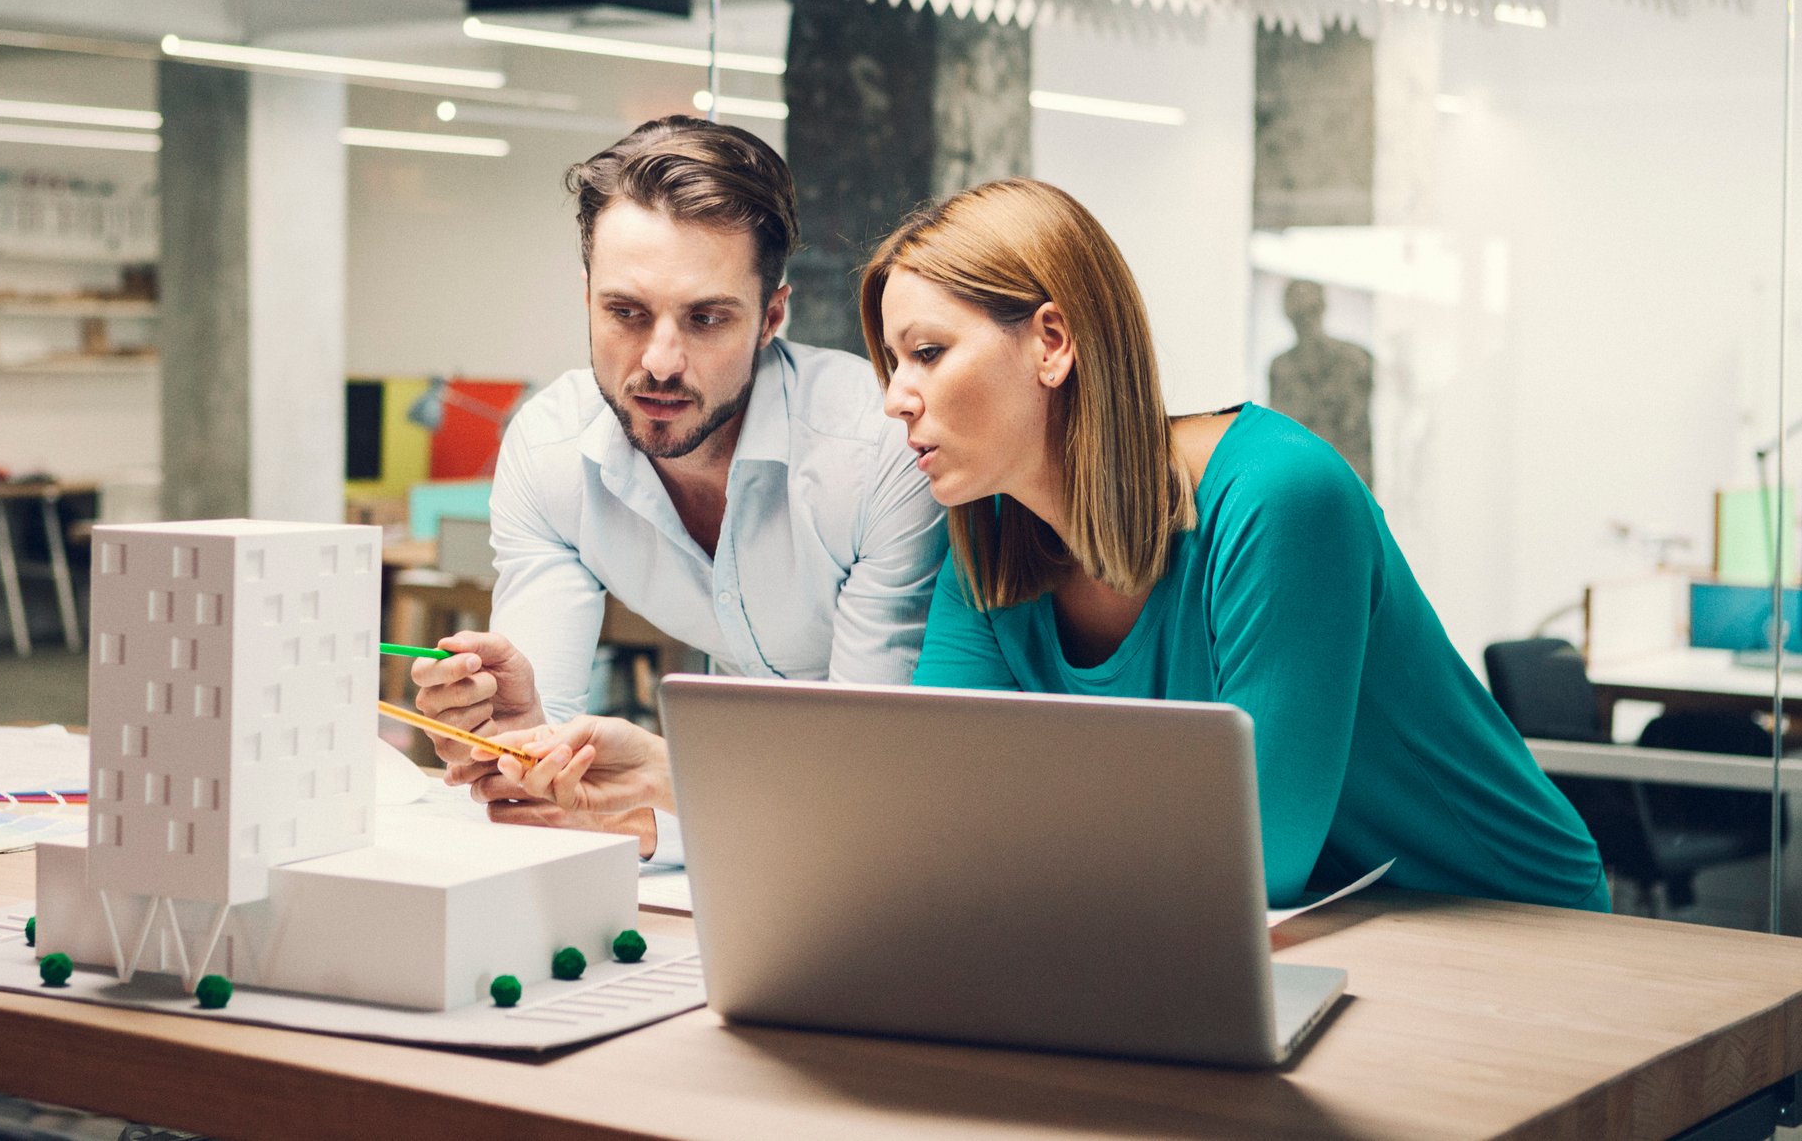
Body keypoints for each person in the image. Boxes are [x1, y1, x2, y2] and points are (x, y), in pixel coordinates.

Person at [480, 176, 1610, 913]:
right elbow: (909, 803)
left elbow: (1256, 858)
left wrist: (986, 824)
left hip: (1504, 924)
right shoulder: (988, 536)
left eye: (928, 354)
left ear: (1053, 342)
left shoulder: (1280, 497)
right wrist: (668, 778)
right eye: (890, 363)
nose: (895, 397)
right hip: (1307, 942)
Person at [410, 116, 946, 858]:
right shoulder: (550, 450)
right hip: (747, 822)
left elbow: (863, 782)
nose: (660, 362)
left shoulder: (877, 450)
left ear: (772, 317)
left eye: (706, 318)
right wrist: (512, 738)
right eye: (625, 313)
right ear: (587, 298)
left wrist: (656, 807)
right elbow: (537, 756)